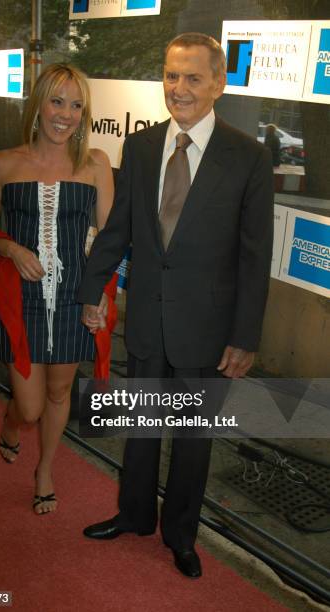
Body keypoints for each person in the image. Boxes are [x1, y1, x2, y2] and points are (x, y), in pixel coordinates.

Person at [78, 33, 274, 577]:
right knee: (140, 429)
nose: (179, 88)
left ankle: (181, 536)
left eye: (192, 77)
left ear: (219, 82)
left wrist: (245, 337)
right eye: (170, 75)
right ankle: (133, 514)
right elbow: (119, 229)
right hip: (146, 316)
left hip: (208, 329)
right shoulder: (140, 148)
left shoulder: (250, 157)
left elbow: (255, 258)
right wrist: (92, 288)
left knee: (192, 442)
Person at [0, 63, 113, 515]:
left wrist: (104, 294)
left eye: (76, 105)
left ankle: (46, 470)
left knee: (60, 394)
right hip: (22, 300)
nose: (65, 115)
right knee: (31, 406)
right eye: (57, 101)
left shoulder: (95, 164)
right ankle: (13, 423)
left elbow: (108, 239)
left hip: (75, 295)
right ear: (38, 104)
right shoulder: (4, 163)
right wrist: (12, 249)